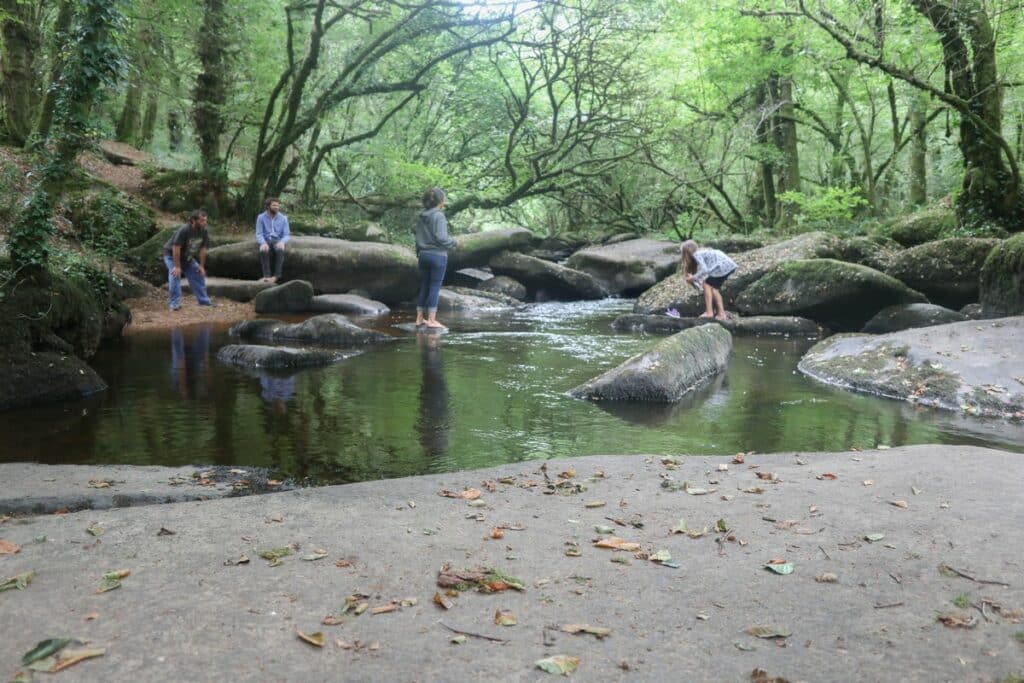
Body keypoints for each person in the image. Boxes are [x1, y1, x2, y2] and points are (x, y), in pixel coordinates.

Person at [413, 187, 457, 329]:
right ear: (441, 202)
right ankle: (432, 320)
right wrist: (454, 242)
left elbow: (417, 237)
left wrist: (419, 252)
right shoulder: (439, 215)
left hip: (423, 255)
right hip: (438, 256)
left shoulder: (421, 215)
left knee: (424, 285)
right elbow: (441, 238)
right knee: (434, 287)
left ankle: (419, 318)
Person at [163, 209, 214, 311]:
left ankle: (204, 301)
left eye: (205, 220)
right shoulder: (184, 230)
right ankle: (174, 304)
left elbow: (203, 249)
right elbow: (175, 248)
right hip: (172, 255)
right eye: (202, 220)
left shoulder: (204, 231)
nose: (204, 223)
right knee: (175, 275)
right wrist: (177, 267)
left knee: (198, 273)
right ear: (193, 221)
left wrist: (201, 266)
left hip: (187, 257)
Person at [680, 239, 737, 321]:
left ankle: (711, 313)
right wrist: (695, 279)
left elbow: (705, 270)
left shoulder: (697, 254)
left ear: (686, 253)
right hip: (727, 265)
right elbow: (705, 273)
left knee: (708, 285)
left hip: (722, 266)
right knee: (711, 287)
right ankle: (719, 313)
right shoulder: (703, 252)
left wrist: (693, 277)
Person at [256, 197, 290, 283]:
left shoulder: (283, 218)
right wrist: (263, 243)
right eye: (274, 205)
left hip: (277, 240)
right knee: (263, 250)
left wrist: (282, 242)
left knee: (280, 250)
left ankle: (276, 276)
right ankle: (266, 276)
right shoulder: (261, 217)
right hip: (266, 239)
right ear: (268, 206)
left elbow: (286, 234)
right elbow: (259, 233)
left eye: (278, 205)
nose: (276, 207)